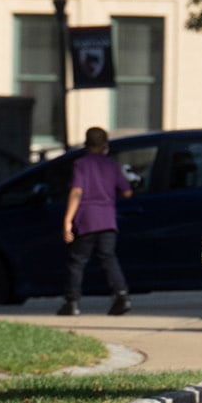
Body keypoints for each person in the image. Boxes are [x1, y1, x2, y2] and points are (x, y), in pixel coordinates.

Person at [59, 127, 133, 316]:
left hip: (86, 219)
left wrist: (67, 221)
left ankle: (72, 302)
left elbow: (76, 191)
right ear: (104, 145)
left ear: (87, 144)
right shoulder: (112, 165)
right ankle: (122, 295)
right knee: (108, 258)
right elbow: (127, 192)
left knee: (77, 261)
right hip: (108, 219)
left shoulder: (81, 164)